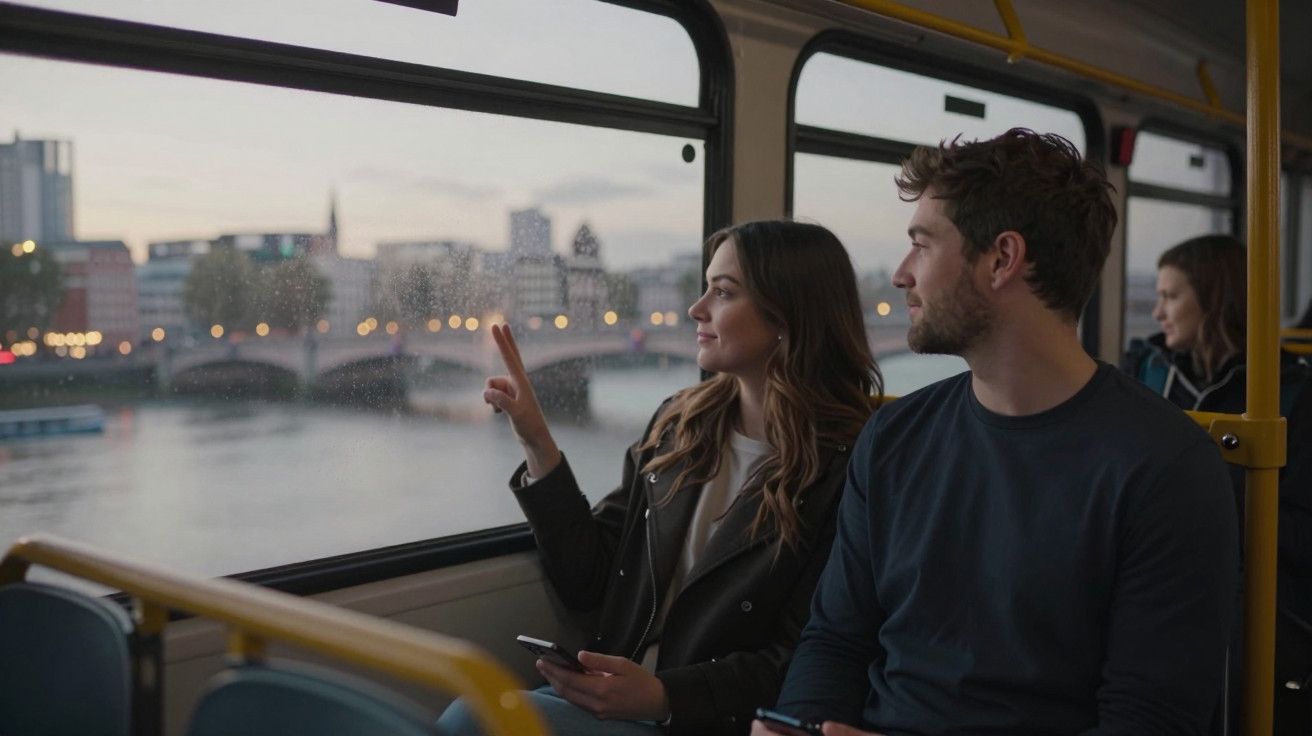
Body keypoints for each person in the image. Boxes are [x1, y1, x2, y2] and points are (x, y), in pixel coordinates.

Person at [755, 129, 1239, 736]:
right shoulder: (893, 439)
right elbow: (834, 640)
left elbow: (1148, 722)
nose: (902, 275)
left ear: (1002, 259)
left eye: (922, 246)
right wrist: (797, 725)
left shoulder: (1165, 468)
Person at [438, 220, 882, 736]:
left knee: (471, 718)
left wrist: (664, 696)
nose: (696, 310)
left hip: (703, 720)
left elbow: (813, 657)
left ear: (788, 313)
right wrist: (537, 440)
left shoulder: (853, 465)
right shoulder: (680, 425)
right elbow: (590, 579)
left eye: (723, 292)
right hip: (613, 697)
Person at [1122, 234, 1312, 735]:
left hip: (1262, 604)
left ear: (1214, 299)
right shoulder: (1148, 374)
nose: (1158, 313)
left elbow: (1300, 537)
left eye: (1171, 297)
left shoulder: (1291, 395)